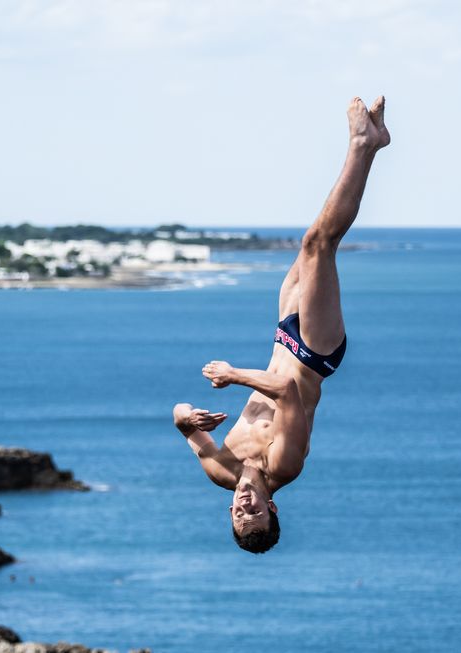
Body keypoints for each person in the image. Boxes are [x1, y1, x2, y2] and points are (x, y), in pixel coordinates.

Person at [173, 96, 390, 554]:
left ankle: (369, 145)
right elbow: (287, 393)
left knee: (314, 240)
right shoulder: (284, 465)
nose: (244, 504)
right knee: (318, 243)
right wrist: (231, 375)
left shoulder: (220, 470)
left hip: (283, 336)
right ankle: (361, 143)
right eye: (253, 511)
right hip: (314, 351)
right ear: (272, 508)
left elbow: (181, 421)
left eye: (237, 513)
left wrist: (185, 419)